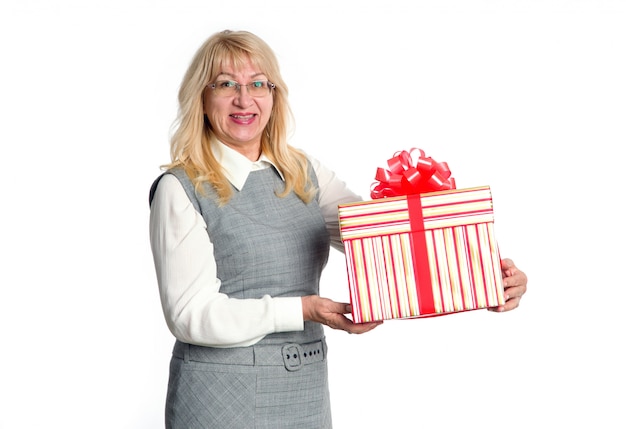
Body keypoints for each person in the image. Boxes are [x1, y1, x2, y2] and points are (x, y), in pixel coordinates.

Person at [148, 29, 528, 429]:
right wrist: (306, 308)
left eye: (258, 83)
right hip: (220, 398)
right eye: (226, 84)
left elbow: (385, 240)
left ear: (274, 96)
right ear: (202, 99)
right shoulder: (181, 188)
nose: (245, 98)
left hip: (304, 389)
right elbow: (191, 316)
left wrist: (483, 276)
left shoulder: (302, 172)